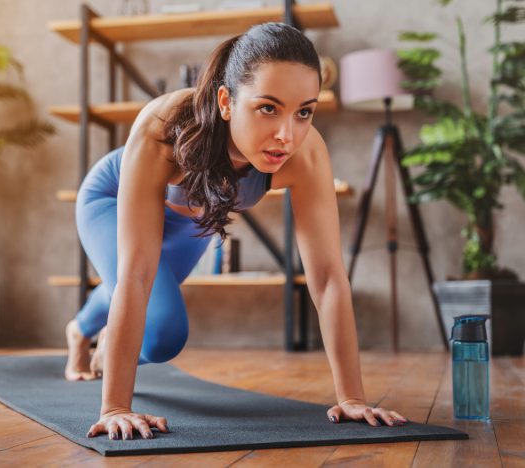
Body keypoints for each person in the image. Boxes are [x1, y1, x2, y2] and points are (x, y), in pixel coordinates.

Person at [64, 22, 408, 441]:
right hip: (111, 201)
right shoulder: (164, 125)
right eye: (268, 108)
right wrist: (116, 407)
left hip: (192, 218)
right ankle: (84, 331)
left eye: (304, 111)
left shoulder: (306, 153)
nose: (287, 134)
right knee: (162, 332)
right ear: (226, 101)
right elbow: (136, 274)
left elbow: (329, 278)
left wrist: (352, 397)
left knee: (156, 329)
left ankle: (87, 328)